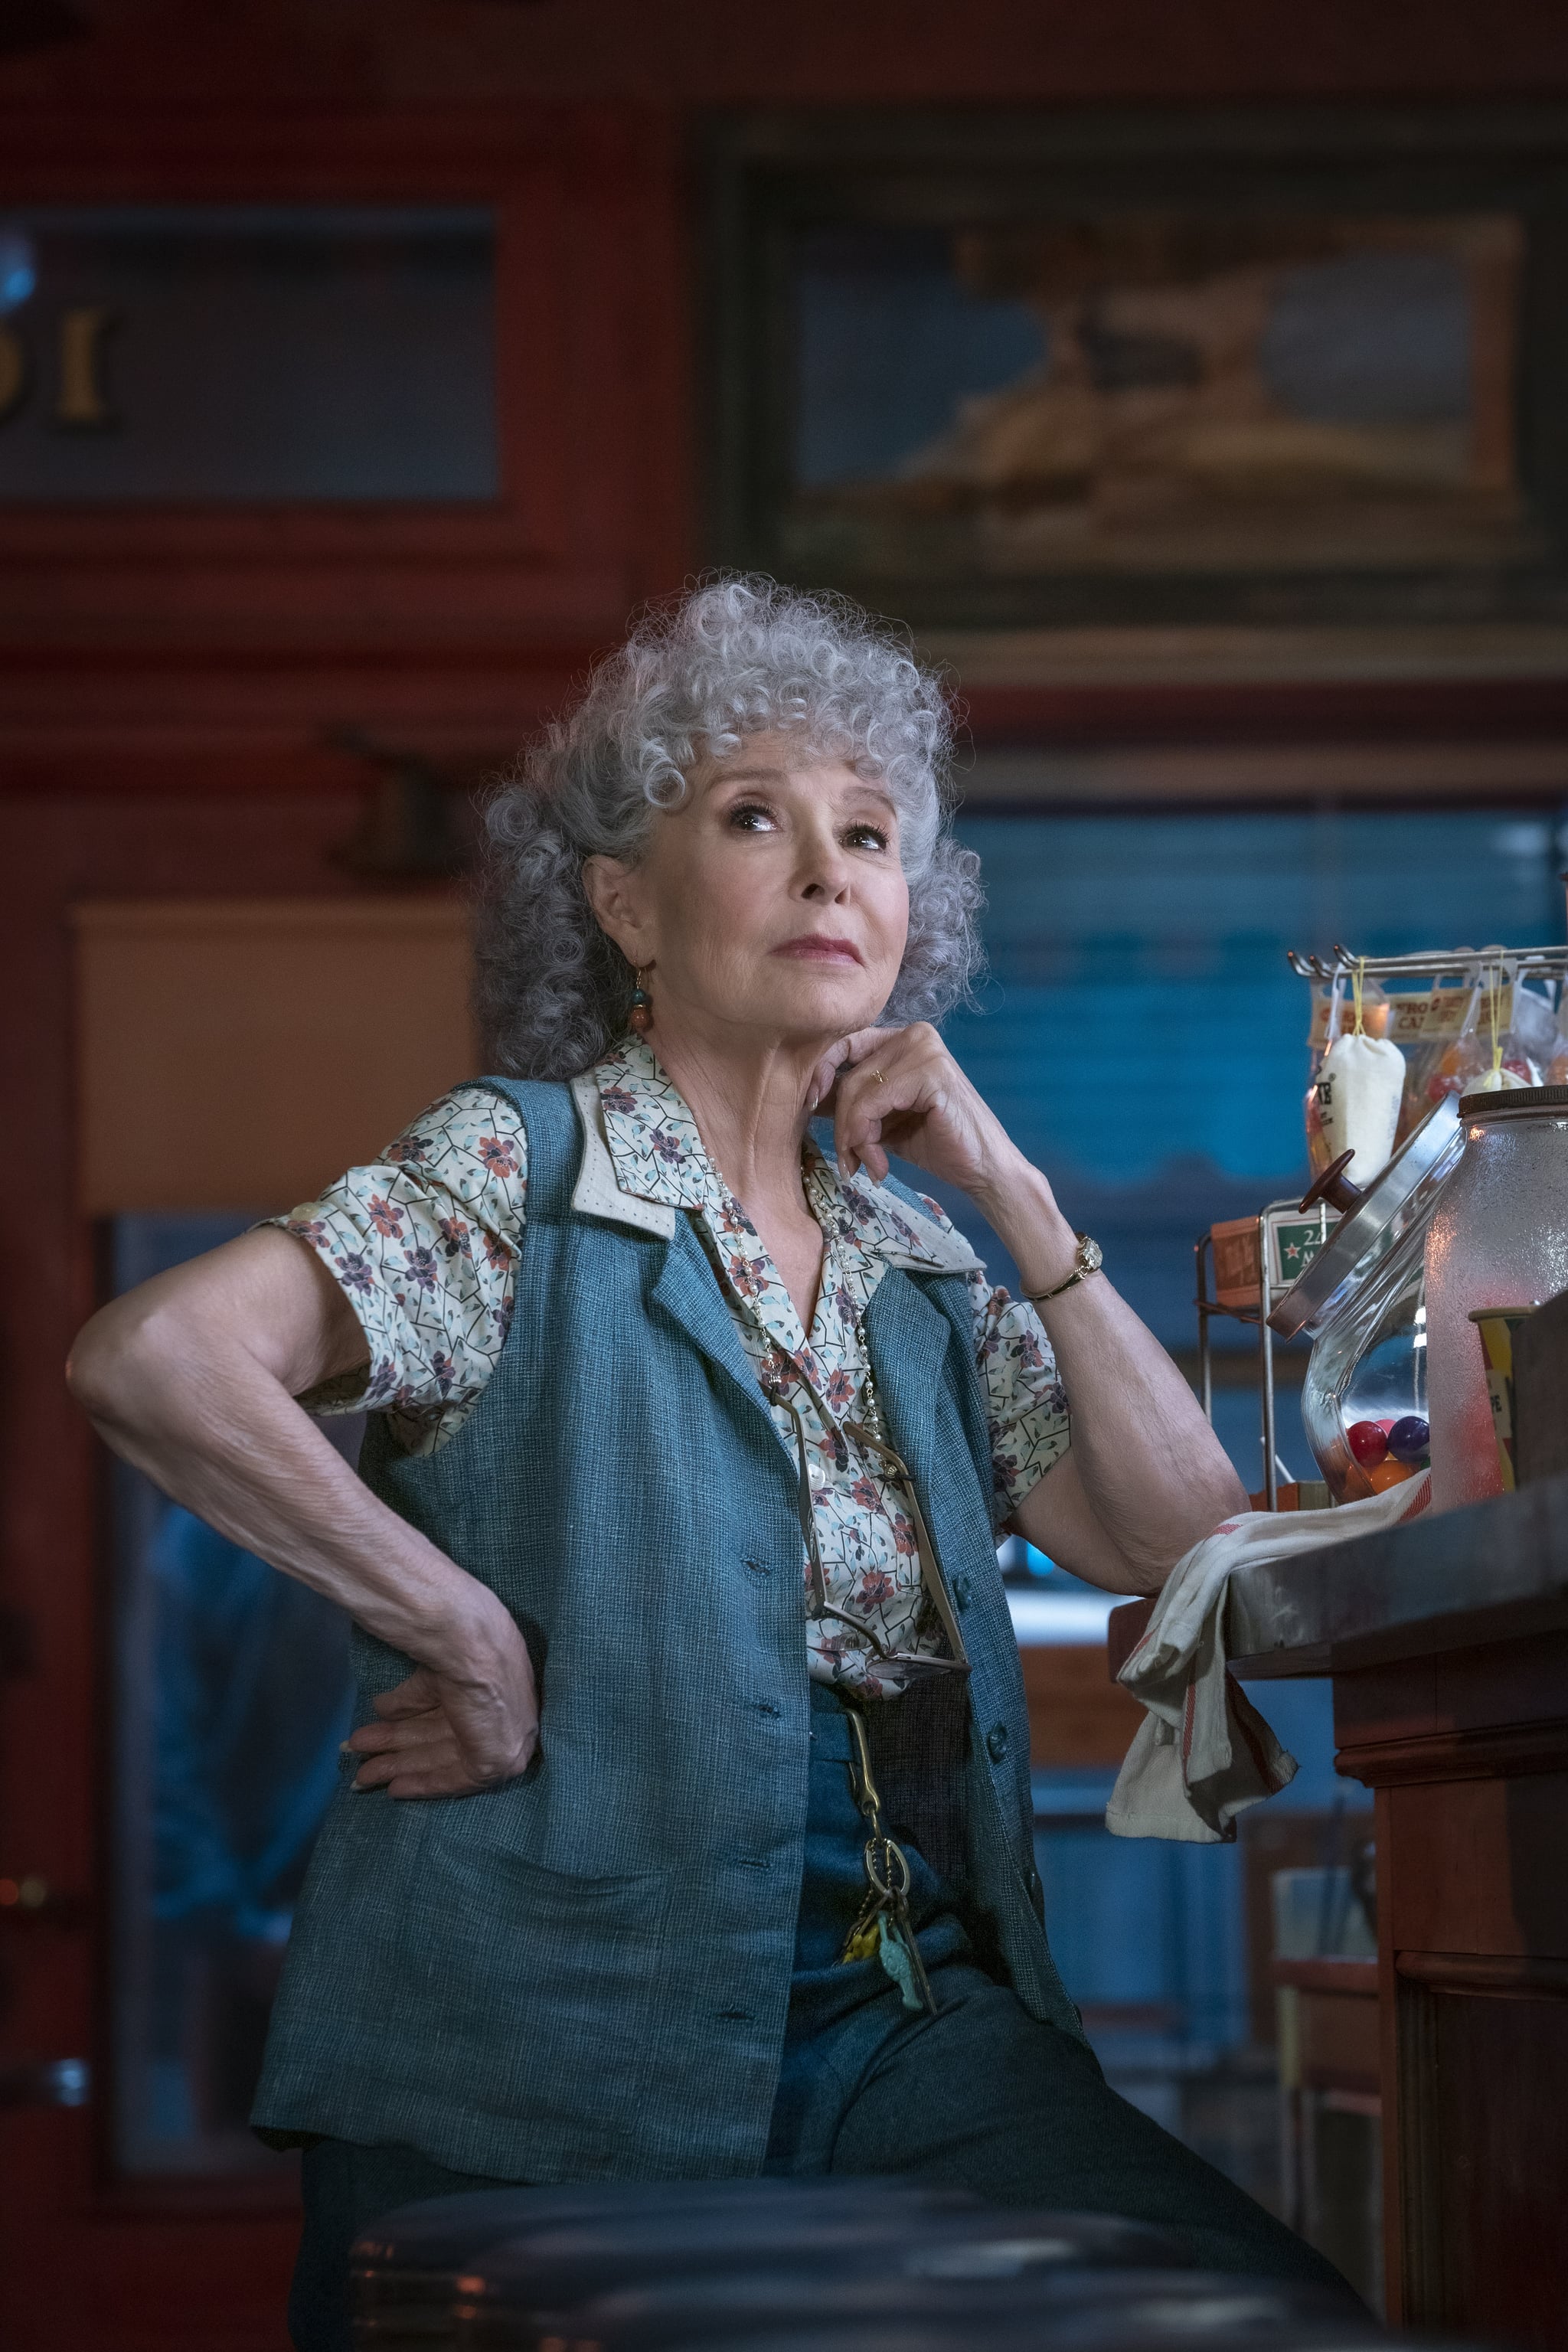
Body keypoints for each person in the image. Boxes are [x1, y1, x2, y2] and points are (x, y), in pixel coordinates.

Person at [68, 578, 1345, 2350]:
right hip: (541, 2024)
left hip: (905, 2016)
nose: (830, 870)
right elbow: (157, 1361)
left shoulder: (923, 1263)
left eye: (870, 833)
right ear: (624, 905)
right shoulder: (514, 1173)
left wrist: (1017, 1195)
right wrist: (461, 1629)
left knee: (1260, 2318)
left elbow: (1180, 1540)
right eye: (755, 817)